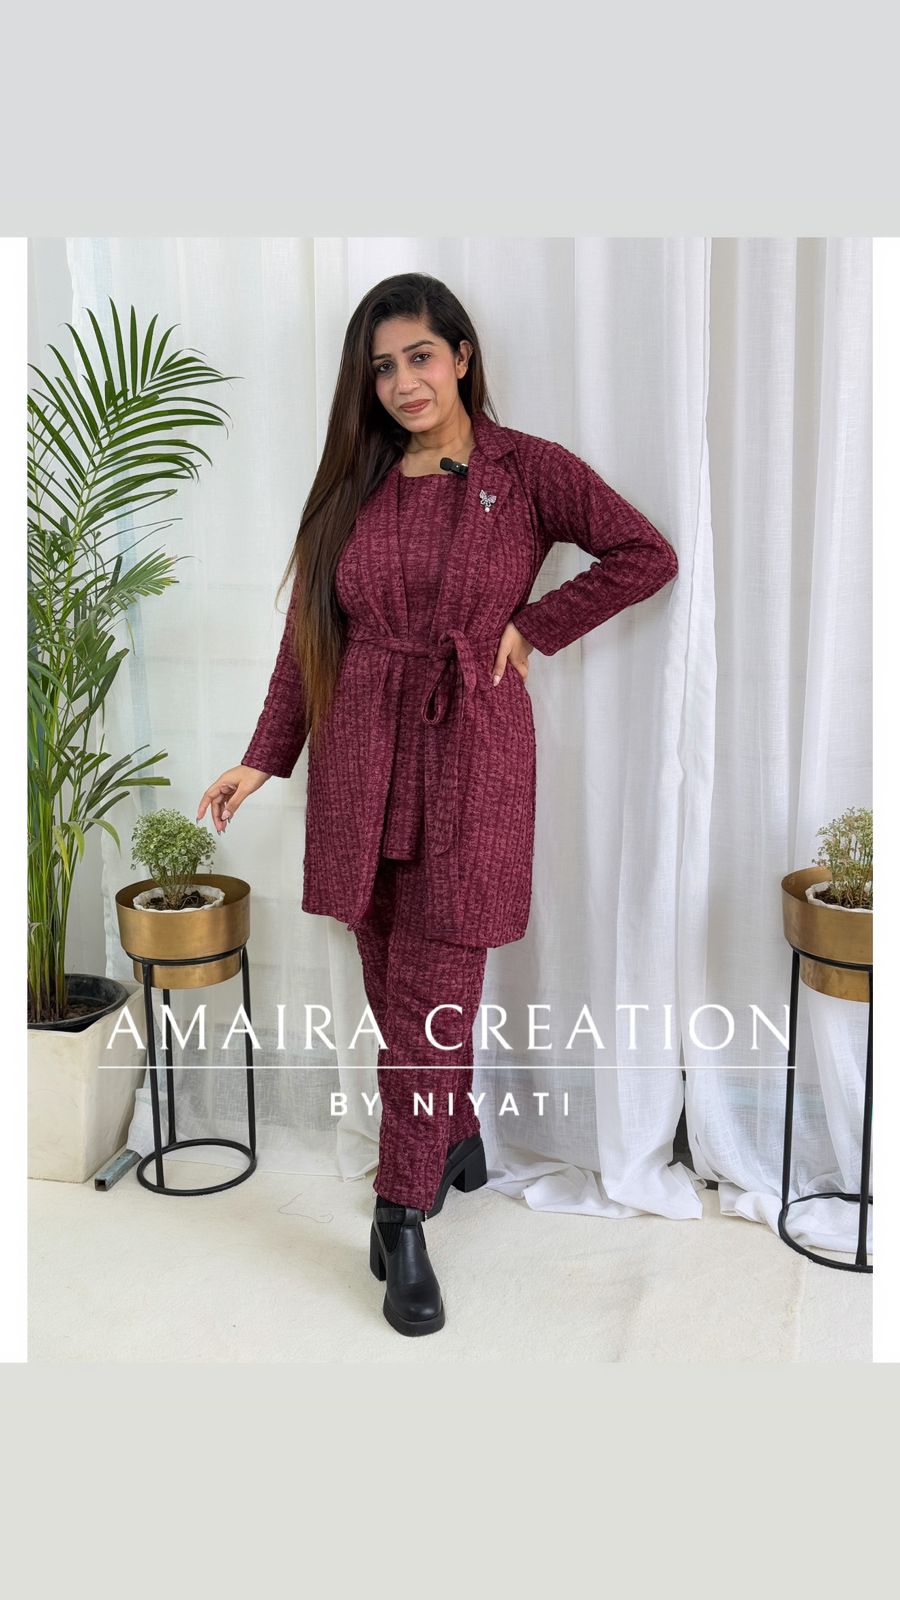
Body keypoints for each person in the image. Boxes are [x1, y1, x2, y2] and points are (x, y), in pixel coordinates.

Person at [196, 271, 678, 1337]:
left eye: (420, 356)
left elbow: (646, 553)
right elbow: (309, 638)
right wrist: (262, 759)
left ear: (461, 355)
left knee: (431, 993)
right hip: (360, 756)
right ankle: (453, 1134)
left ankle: (401, 1210)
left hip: (472, 756)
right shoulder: (354, 487)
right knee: (394, 984)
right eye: (383, 368)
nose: (404, 383)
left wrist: (534, 626)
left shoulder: (527, 470)